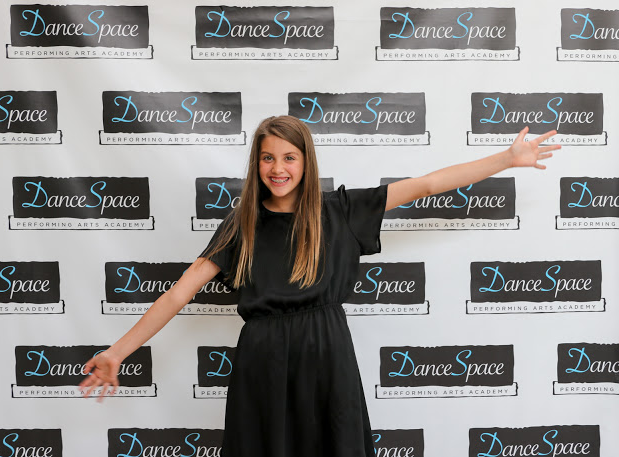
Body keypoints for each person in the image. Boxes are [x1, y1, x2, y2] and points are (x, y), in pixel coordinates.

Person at [79, 115, 559, 457]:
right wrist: (117, 353)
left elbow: (428, 184)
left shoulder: (341, 211)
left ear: (305, 161)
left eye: (289, 157)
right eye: (268, 158)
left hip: (327, 353)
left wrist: (507, 158)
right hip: (262, 362)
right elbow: (178, 293)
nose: (278, 168)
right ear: (256, 164)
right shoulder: (241, 225)